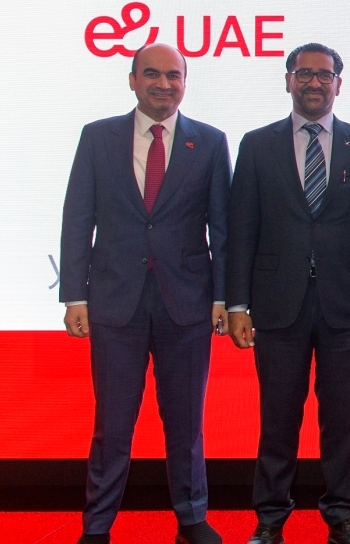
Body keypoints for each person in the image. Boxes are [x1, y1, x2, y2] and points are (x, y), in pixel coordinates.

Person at [226, 43, 350, 544]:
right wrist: (236, 303)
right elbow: (242, 229)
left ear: (339, 85)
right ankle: (270, 517)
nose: (314, 83)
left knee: (341, 418)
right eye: (304, 74)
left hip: (348, 305)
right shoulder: (256, 145)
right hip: (277, 304)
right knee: (277, 417)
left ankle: (341, 513)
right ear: (288, 81)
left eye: (324, 75)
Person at [60, 43, 231, 544]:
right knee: (112, 425)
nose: (163, 84)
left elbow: (223, 229)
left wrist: (224, 298)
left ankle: (192, 519)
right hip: (115, 303)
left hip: (188, 305)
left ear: (185, 82)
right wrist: (74, 295)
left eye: (173, 75)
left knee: (186, 423)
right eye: (152, 74)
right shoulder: (98, 137)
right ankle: (97, 526)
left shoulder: (210, 142)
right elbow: (78, 218)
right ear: (132, 80)